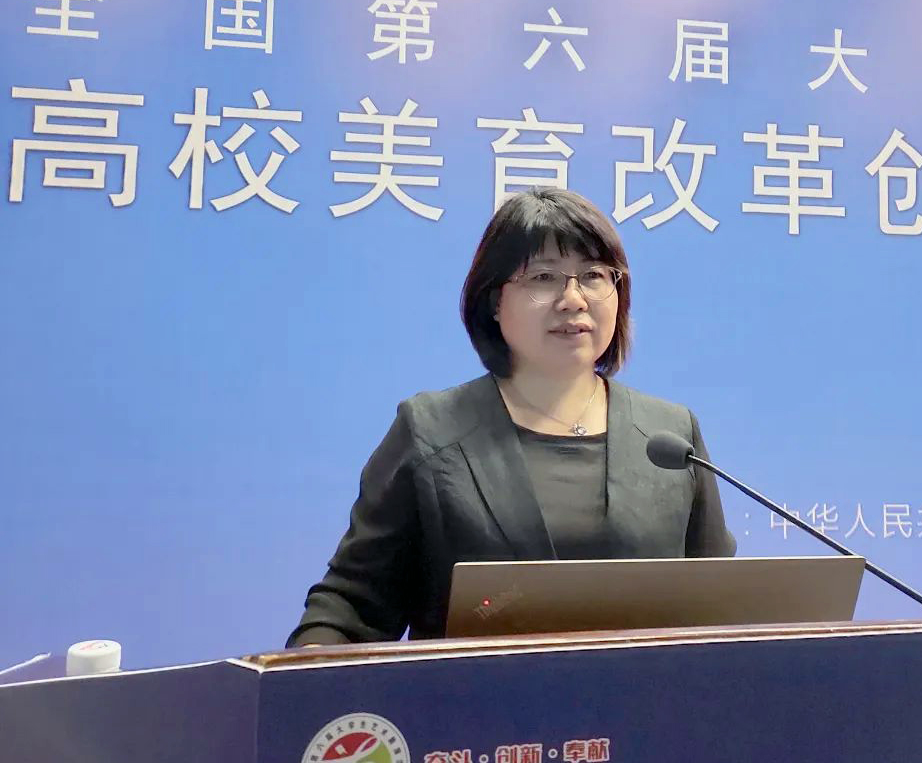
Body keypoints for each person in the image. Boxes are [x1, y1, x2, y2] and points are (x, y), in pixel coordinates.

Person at [287, 188, 735, 647]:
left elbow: (724, 609)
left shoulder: (669, 436)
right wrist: (313, 663)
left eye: (594, 276)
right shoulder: (431, 432)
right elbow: (351, 608)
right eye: (543, 277)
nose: (573, 299)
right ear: (494, 302)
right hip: (472, 693)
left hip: (645, 694)